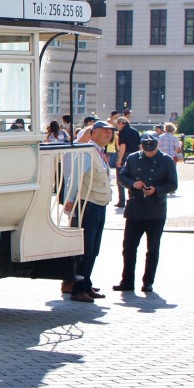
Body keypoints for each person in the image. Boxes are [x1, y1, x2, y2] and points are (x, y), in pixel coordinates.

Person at [114, 132, 179, 293]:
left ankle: (148, 282)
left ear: (157, 145)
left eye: (152, 148)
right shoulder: (133, 158)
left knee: (152, 249)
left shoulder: (166, 160)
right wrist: (133, 183)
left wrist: (157, 190)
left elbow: (173, 184)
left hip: (155, 210)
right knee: (128, 248)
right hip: (135, 209)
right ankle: (127, 281)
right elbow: (122, 176)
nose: (149, 151)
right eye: (146, 149)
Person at [62, 120, 115, 303]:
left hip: (99, 204)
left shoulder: (99, 152)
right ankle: (78, 288)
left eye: (110, 133)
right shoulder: (87, 152)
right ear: (93, 133)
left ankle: (86, 283)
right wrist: (69, 199)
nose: (108, 135)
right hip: (88, 204)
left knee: (94, 249)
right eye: (104, 132)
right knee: (86, 248)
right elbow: (74, 177)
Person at [114, 116, 140, 208]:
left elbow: (123, 146)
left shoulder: (122, 132)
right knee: (133, 177)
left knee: (120, 178)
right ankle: (132, 198)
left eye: (118, 123)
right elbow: (140, 145)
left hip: (125, 155)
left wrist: (119, 159)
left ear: (122, 123)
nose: (117, 126)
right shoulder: (135, 131)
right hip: (136, 155)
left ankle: (122, 201)